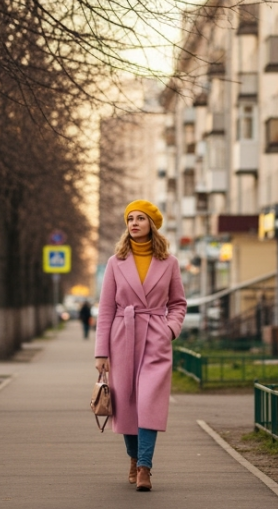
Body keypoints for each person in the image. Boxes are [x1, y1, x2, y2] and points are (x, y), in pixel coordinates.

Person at [94, 199, 186, 492]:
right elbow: (106, 309)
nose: (134, 223)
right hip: (123, 337)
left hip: (156, 339)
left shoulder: (169, 263)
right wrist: (101, 353)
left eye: (140, 219)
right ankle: (133, 458)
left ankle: (145, 467)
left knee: (149, 402)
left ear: (152, 225)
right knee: (127, 404)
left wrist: (169, 329)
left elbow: (178, 303)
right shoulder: (115, 262)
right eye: (130, 219)